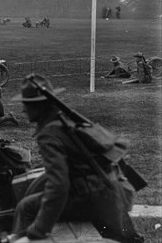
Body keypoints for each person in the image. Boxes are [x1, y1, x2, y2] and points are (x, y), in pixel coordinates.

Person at [9, 74, 144, 243]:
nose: (23, 109)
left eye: (26, 104)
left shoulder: (49, 134)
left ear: (39, 106)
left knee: (26, 206)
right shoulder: (65, 122)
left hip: (89, 197)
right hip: (107, 191)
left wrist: (39, 228)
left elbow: (58, 185)